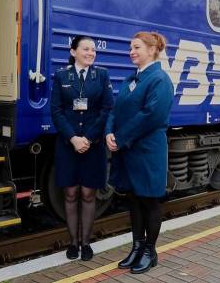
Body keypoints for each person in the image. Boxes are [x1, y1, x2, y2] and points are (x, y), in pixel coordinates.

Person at [105, 31, 174, 274]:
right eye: (130, 47)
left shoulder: (160, 80)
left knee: (149, 200)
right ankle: (136, 247)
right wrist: (108, 133)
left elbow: (151, 116)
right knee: (133, 199)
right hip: (128, 149)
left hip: (147, 150)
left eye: (136, 47)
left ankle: (149, 251)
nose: (131, 51)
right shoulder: (129, 79)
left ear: (152, 50)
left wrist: (121, 138)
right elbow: (115, 110)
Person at [51, 35, 114, 261]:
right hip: (68, 145)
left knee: (88, 193)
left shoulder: (102, 75)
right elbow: (56, 111)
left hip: (93, 144)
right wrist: (73, 138)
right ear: (73, 51)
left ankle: (86, 243)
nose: (91, 53)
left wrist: (87, 137)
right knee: (70, 193)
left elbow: (107, 108)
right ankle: (72, 243)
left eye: (93, 50)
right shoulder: (61, 76)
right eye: (86, 49)